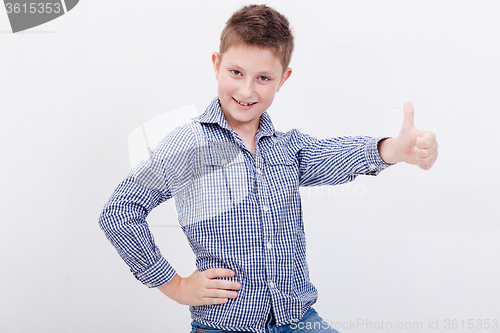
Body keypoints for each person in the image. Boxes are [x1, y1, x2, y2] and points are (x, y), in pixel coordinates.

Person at [98, 4, 438, 333]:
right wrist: (174, 285)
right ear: (217, 65)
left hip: (299, 319)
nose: (246, 90)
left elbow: (335, 154)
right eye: (236, 72)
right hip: (225, 324)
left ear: (283, 79)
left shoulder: (287, 148)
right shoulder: (187, 145)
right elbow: (119, 212)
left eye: (263, 77)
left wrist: (394, 148)